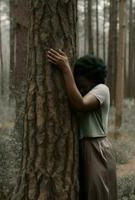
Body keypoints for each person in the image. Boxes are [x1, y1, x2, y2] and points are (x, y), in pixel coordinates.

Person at [47, 48, 117, 200]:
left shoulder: (102, 90)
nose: (80, 87)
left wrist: (65, 68)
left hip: (97, 149)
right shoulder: (84, 90)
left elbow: (81, 105)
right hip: (83, 148)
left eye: (82, 82)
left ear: (90, 77)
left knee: (97, 194)